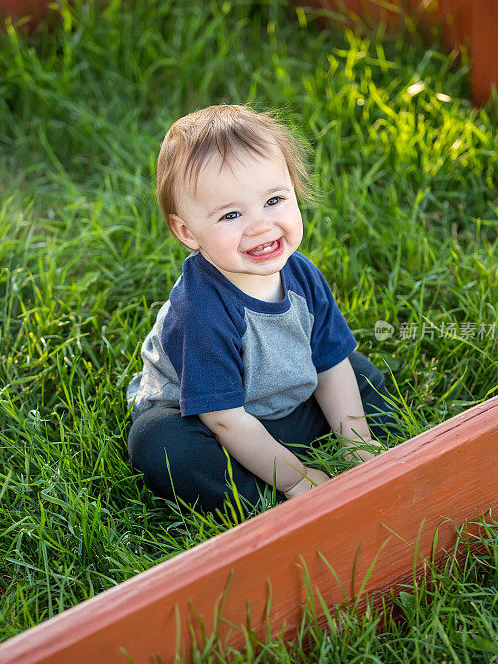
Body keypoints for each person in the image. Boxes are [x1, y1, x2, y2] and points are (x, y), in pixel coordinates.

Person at [126, 104, 400, 519]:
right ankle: (262, 501)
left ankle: (376, 453)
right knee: (159, 444)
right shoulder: (198, 312)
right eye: (231, 215)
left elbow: (327, 364)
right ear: (186, 232)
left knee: (355, 370)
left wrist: (356, 446)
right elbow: (225, 421)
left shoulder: (301, 275)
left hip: (281, 402)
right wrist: (296, 478)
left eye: (274, 200)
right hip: (208, 419)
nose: (260, 226)